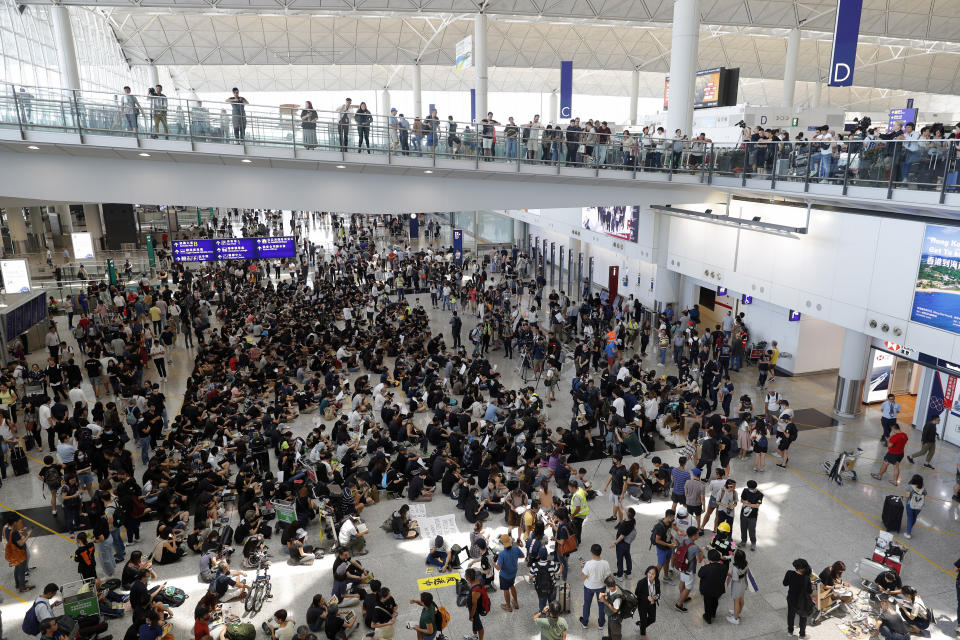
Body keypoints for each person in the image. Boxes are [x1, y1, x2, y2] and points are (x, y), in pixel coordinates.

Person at [578, 543, 610, 630]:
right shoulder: (605, 563)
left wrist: (582, 567)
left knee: (587, 604)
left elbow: (583, 577)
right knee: (601, 605)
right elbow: (608, 576)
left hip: (589, 587)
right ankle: (601, 623)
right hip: (601, 587)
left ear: (592, 553)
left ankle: (585, 622)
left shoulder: (588, 564)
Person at [673, 526, 701, 613]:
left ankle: (682, 597)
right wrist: (701, 552)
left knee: (682, 581)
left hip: (682, 566)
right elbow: (699, 560)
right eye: (697, 534)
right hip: (689, 569)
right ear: (693, 536)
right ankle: (679, 604)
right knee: (688, 587)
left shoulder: (684, 541)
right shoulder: (695, 547)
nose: (698, 535)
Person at [783, 558, 813, 638]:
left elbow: (785, 583)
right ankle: (802, 635)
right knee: (803, 617)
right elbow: (809, 591)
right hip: (802, 601)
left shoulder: (789, 573)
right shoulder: (806, 578)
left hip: (791, 599)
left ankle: (790, 631)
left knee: (790, 615)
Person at [495, 534, 524, 611]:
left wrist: (493, 563)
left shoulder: (501, 554)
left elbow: (498, 568)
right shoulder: (516, 549)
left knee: (506, 589)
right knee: (512, 585)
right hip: (513, 573)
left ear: (502, 543)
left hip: (504, 575)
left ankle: (508, 606)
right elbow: (522, 556)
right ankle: (516, 602)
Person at [697, 548, 726, 624]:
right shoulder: (724, 567)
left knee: (707, 603)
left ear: (709, 559)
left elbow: (699, 574)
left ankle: (708, 617)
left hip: (707, 590)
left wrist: (703, 566)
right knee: (715, 601)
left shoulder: (706, 568)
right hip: (718, 589)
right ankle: (713, 613)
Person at [634, 565, 660, 640]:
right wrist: (647, 598)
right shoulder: (641, 582)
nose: (650, 575)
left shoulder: (657, 581)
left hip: (652, 603)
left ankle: (642, 625)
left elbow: (658, 593)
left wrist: (654, 599)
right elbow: (637, 593)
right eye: (649, 573)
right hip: (642, 604)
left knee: (652, 619)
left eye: (653, 574)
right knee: (643, 619)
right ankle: (643, 633)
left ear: (656, 575)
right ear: (647, 572)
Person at [739, 479, 763, 550]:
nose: (750, 489)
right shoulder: (745, 491)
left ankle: (753, 543)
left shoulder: (759, 495)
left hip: (753, 516)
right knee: (743, 528)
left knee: (752, 530)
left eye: (751, 489)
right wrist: (744, 501)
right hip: (743, 514)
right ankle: (743, 541)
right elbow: (741, 500)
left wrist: (748, 504)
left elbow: (757, 505)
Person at [611, 507, 636, 578]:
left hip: (621, 544)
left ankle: (619, 575)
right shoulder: (633, 520)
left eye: (626, 511)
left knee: (620, 559)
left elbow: (622, 536)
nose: (625, 510)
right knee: (628, 557)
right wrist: (620, 502)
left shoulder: (624, 525)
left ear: (627, 514)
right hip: (627, 543)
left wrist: (615, 543)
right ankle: (628, 573)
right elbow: (623, 510)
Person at [597, 575, 623, 640]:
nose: (606, 587)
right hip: (610, 614)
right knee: (610, 628)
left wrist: (605, 601)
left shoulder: (617, 598)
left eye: (606, 586)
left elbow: (615, 610)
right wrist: (604, 594)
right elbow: (610, 593)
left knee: (615, 632)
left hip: (615, 617)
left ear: (610, 587)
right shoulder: (614, 587)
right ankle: (610, 638)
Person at [727, 549, 749, 625]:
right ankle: (738, 611)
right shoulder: (746, 563)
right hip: (743, 584)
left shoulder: (735, 568)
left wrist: (728, 573)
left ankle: (735, 618)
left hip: (737, 586)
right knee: (741, 599)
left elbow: (735, 579)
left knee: (736, 601)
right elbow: (746, 573)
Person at [464, 567, 486, 640]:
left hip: (475, 609)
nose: (465, 577)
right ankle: (475, 636)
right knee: (475, 622)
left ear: (468, 578)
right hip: (472, 606)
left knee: (479, 626)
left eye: (465, 576)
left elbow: (474, 605)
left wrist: (471, 616)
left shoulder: (475, 591)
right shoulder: (475, 581)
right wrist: (467, 603)